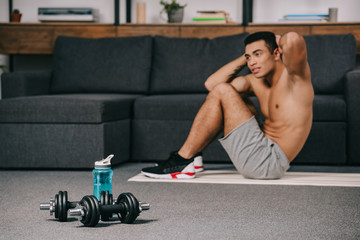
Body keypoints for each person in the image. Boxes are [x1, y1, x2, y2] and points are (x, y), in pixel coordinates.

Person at [141, 31, 314, 180]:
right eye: (249, 57)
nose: (252, 62)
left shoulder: (295, 80)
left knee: (224, 91)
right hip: (259, 147)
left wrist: (272, 38)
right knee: (227, 92)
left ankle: (182, 159)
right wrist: (246, 56)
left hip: (268, 163)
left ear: (276, 54)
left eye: (258, 54)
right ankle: (194, 155)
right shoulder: (256, 82)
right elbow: (212, 85)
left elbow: (291, 39)